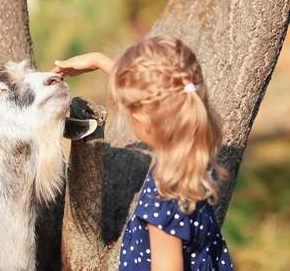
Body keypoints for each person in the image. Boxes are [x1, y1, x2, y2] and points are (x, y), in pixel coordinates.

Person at [51, 36, 233, 271]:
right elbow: (161, 90)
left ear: (143, 121)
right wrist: (98, 60)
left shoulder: (163, 197)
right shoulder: (197, 148)